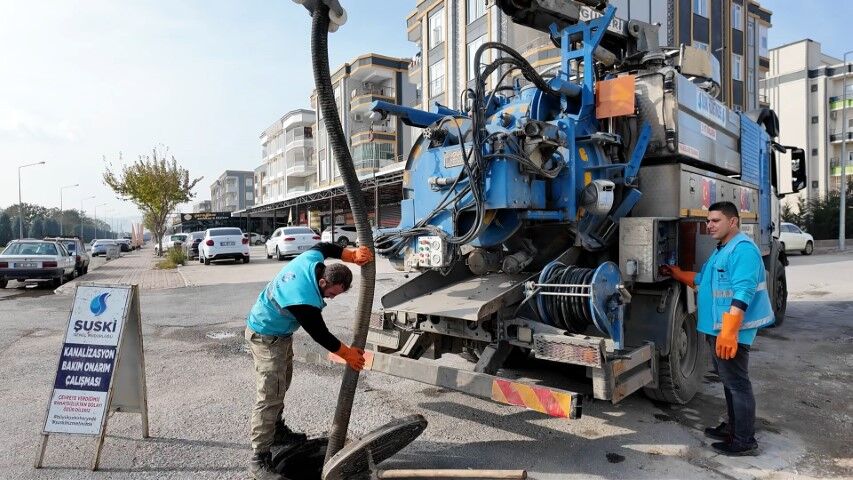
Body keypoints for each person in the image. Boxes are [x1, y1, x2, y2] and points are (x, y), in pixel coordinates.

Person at [244, 241, 373, 479]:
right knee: (270, 394)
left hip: (280, 335)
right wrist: (347, 354)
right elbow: (319, 333)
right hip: (265, 335)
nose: (331, 298)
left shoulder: (312, 260)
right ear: (323, 282)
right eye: (331, 294)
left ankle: (276, 431)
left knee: (282, 384)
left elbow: (325, 246)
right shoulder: (302, 297)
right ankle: (259, 458)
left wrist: (350, 254)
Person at [662, 201, 773, 456]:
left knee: (737, 383)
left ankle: (744, 440)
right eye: (708, 221)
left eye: (715, 221)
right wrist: (678, 274)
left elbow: (743, 292)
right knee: (729, 382)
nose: (709, 225)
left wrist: (729, 332)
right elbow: (703, 281)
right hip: (718, 328)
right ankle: (733, 427)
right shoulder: (722, 249)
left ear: (732, 222)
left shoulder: (743, 249)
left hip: (731, 330)